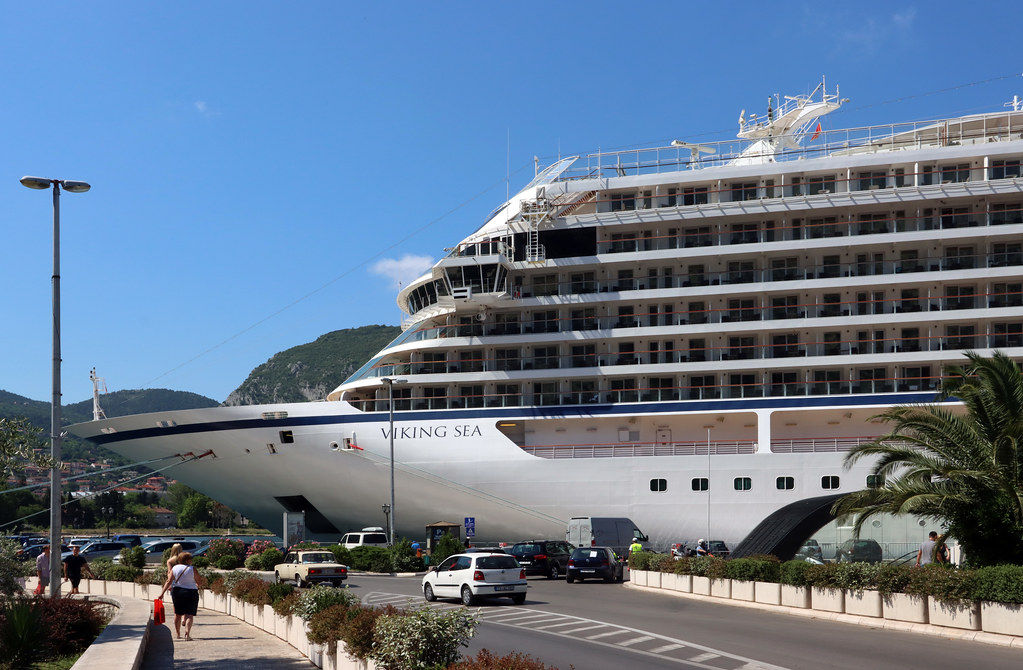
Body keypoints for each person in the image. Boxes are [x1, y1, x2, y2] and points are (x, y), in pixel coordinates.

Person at [159, 552, 205, 641]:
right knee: (189, 614)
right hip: (191, 592)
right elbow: (199, 582)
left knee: (178, 614)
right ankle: (187, 634)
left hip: (178, 592)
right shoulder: (192, 569)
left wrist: (162, 594)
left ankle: (177, 633)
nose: (192, 560)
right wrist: (195, 584)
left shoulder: (175, 568)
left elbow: (169, 581)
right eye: (190, 559)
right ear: (187, 560)